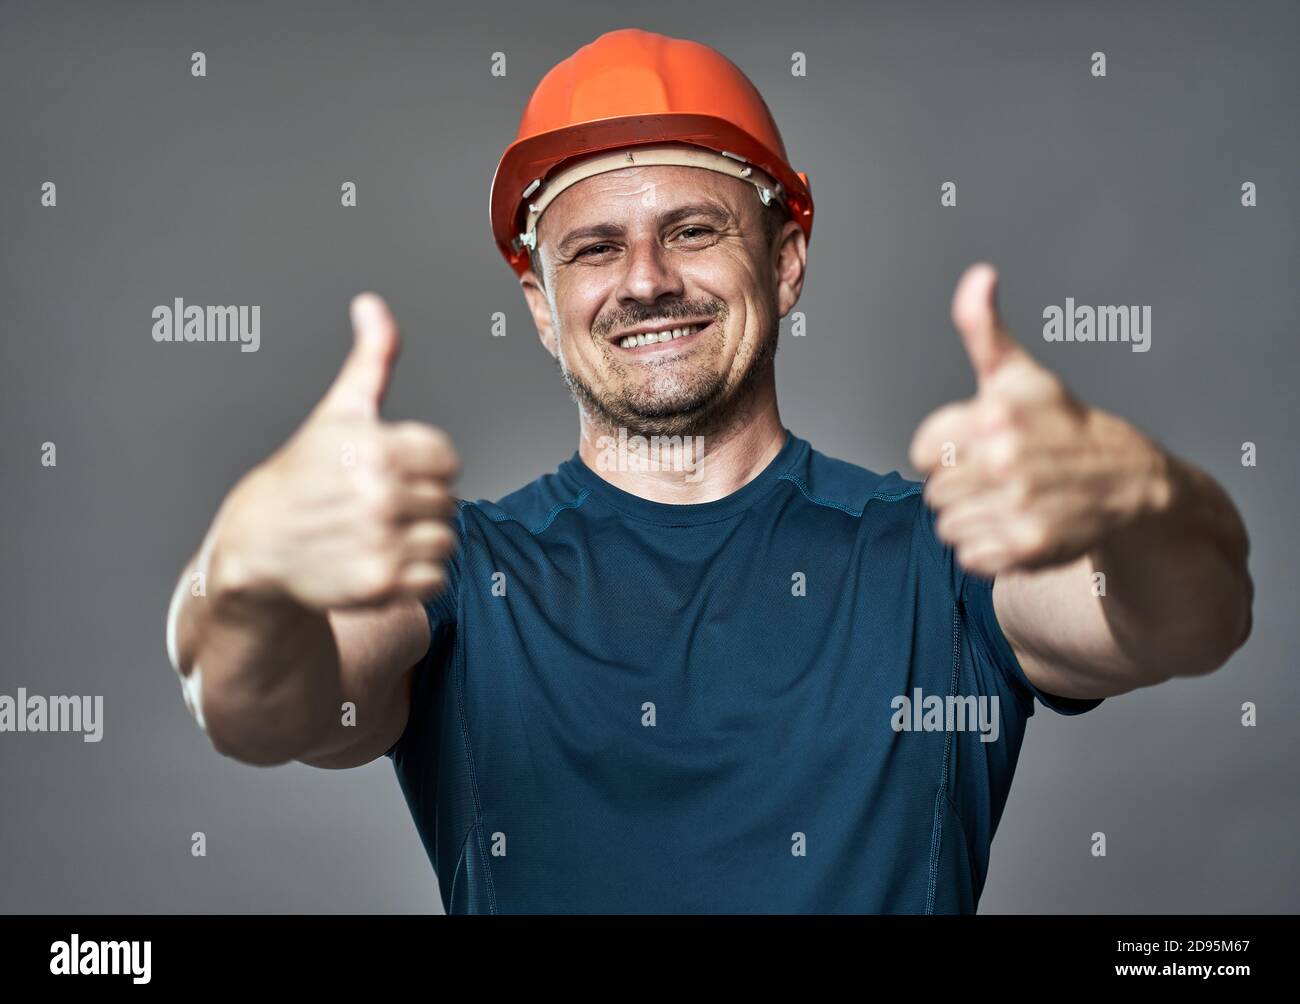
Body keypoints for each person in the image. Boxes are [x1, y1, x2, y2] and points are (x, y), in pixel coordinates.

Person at [165, 28, 1253, 913]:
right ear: (543, 306)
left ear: (784, 263)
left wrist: (1147, 500)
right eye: (593, 248)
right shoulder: (454, 569)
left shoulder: (942, 551)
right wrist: (244, 572)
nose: (645, 281)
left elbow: (1187, 619)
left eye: (692, 230)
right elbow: (260, 704)